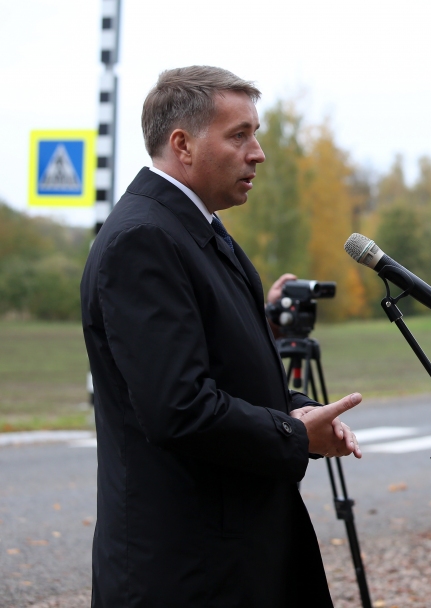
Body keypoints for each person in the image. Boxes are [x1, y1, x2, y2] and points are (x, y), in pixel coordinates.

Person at [80, 66, 362, 608]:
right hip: (188, 567)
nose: (258, 153)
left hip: (227, 553)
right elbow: (179, 407)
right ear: (182, 145)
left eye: (255, 134)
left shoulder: (196, 229)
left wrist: (298, 410)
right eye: (239, 135)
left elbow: (225, 368)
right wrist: (294, 435)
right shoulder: (144, 239)